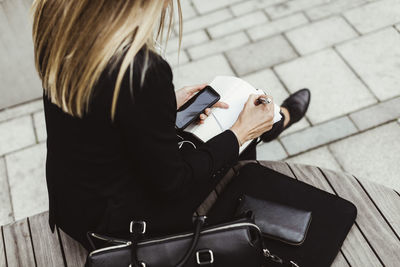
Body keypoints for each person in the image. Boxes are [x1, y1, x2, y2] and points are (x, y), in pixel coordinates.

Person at [32, 0, 310, 250]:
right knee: (236, 129)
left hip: (73, 207)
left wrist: (158, 108)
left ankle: (272, 123)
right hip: (118, 225)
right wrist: (239, 134)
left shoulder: (59, 24)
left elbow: (92, 117)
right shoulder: (139, 70)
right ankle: (274, 122)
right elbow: (174, 184)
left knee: (217, 127)